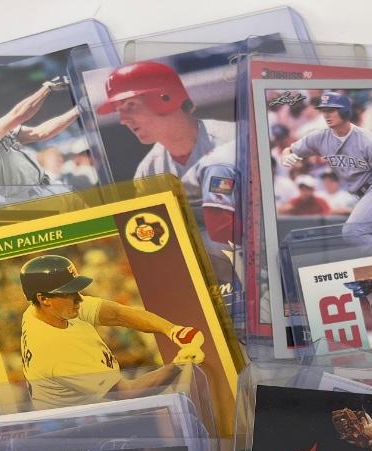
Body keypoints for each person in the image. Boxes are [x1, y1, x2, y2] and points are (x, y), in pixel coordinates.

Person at [96, 61, 239, 285]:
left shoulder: (235, 139)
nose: (123, 120)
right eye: (118, 110)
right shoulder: (149, 171)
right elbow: (153, 239)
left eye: (130, 105)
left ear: (165, 97)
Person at [16, 254, 206, 408]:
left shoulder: (41, 311)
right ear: (44, 299)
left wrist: (172, 330)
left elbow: (117, 314)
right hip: (80, 428)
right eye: (68, 293)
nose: (79, 299)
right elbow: (127, 394)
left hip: (95, 407)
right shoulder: (57, 349)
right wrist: (178, 366)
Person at [281, 91, 372, 248]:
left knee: (353, 231)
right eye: (324, 110)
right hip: (362, 195)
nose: (326, 115)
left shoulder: (369, 141)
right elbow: (289, 150)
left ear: (345, 112)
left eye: (331, 110)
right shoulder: (319, 137)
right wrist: (286, 156)